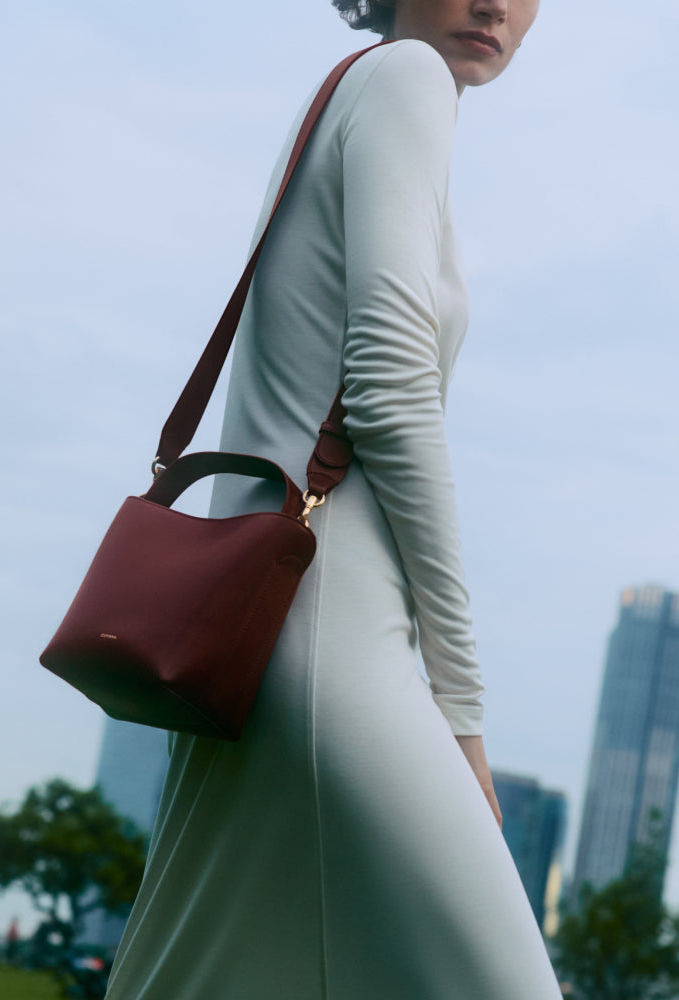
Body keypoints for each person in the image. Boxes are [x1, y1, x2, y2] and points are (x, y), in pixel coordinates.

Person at [105, 1, 563, 997]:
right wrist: (464, 710)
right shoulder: (407, 81)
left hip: (261, 638)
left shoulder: (350, 93)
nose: (495, 4)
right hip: (331, 642)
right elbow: (392, 394)